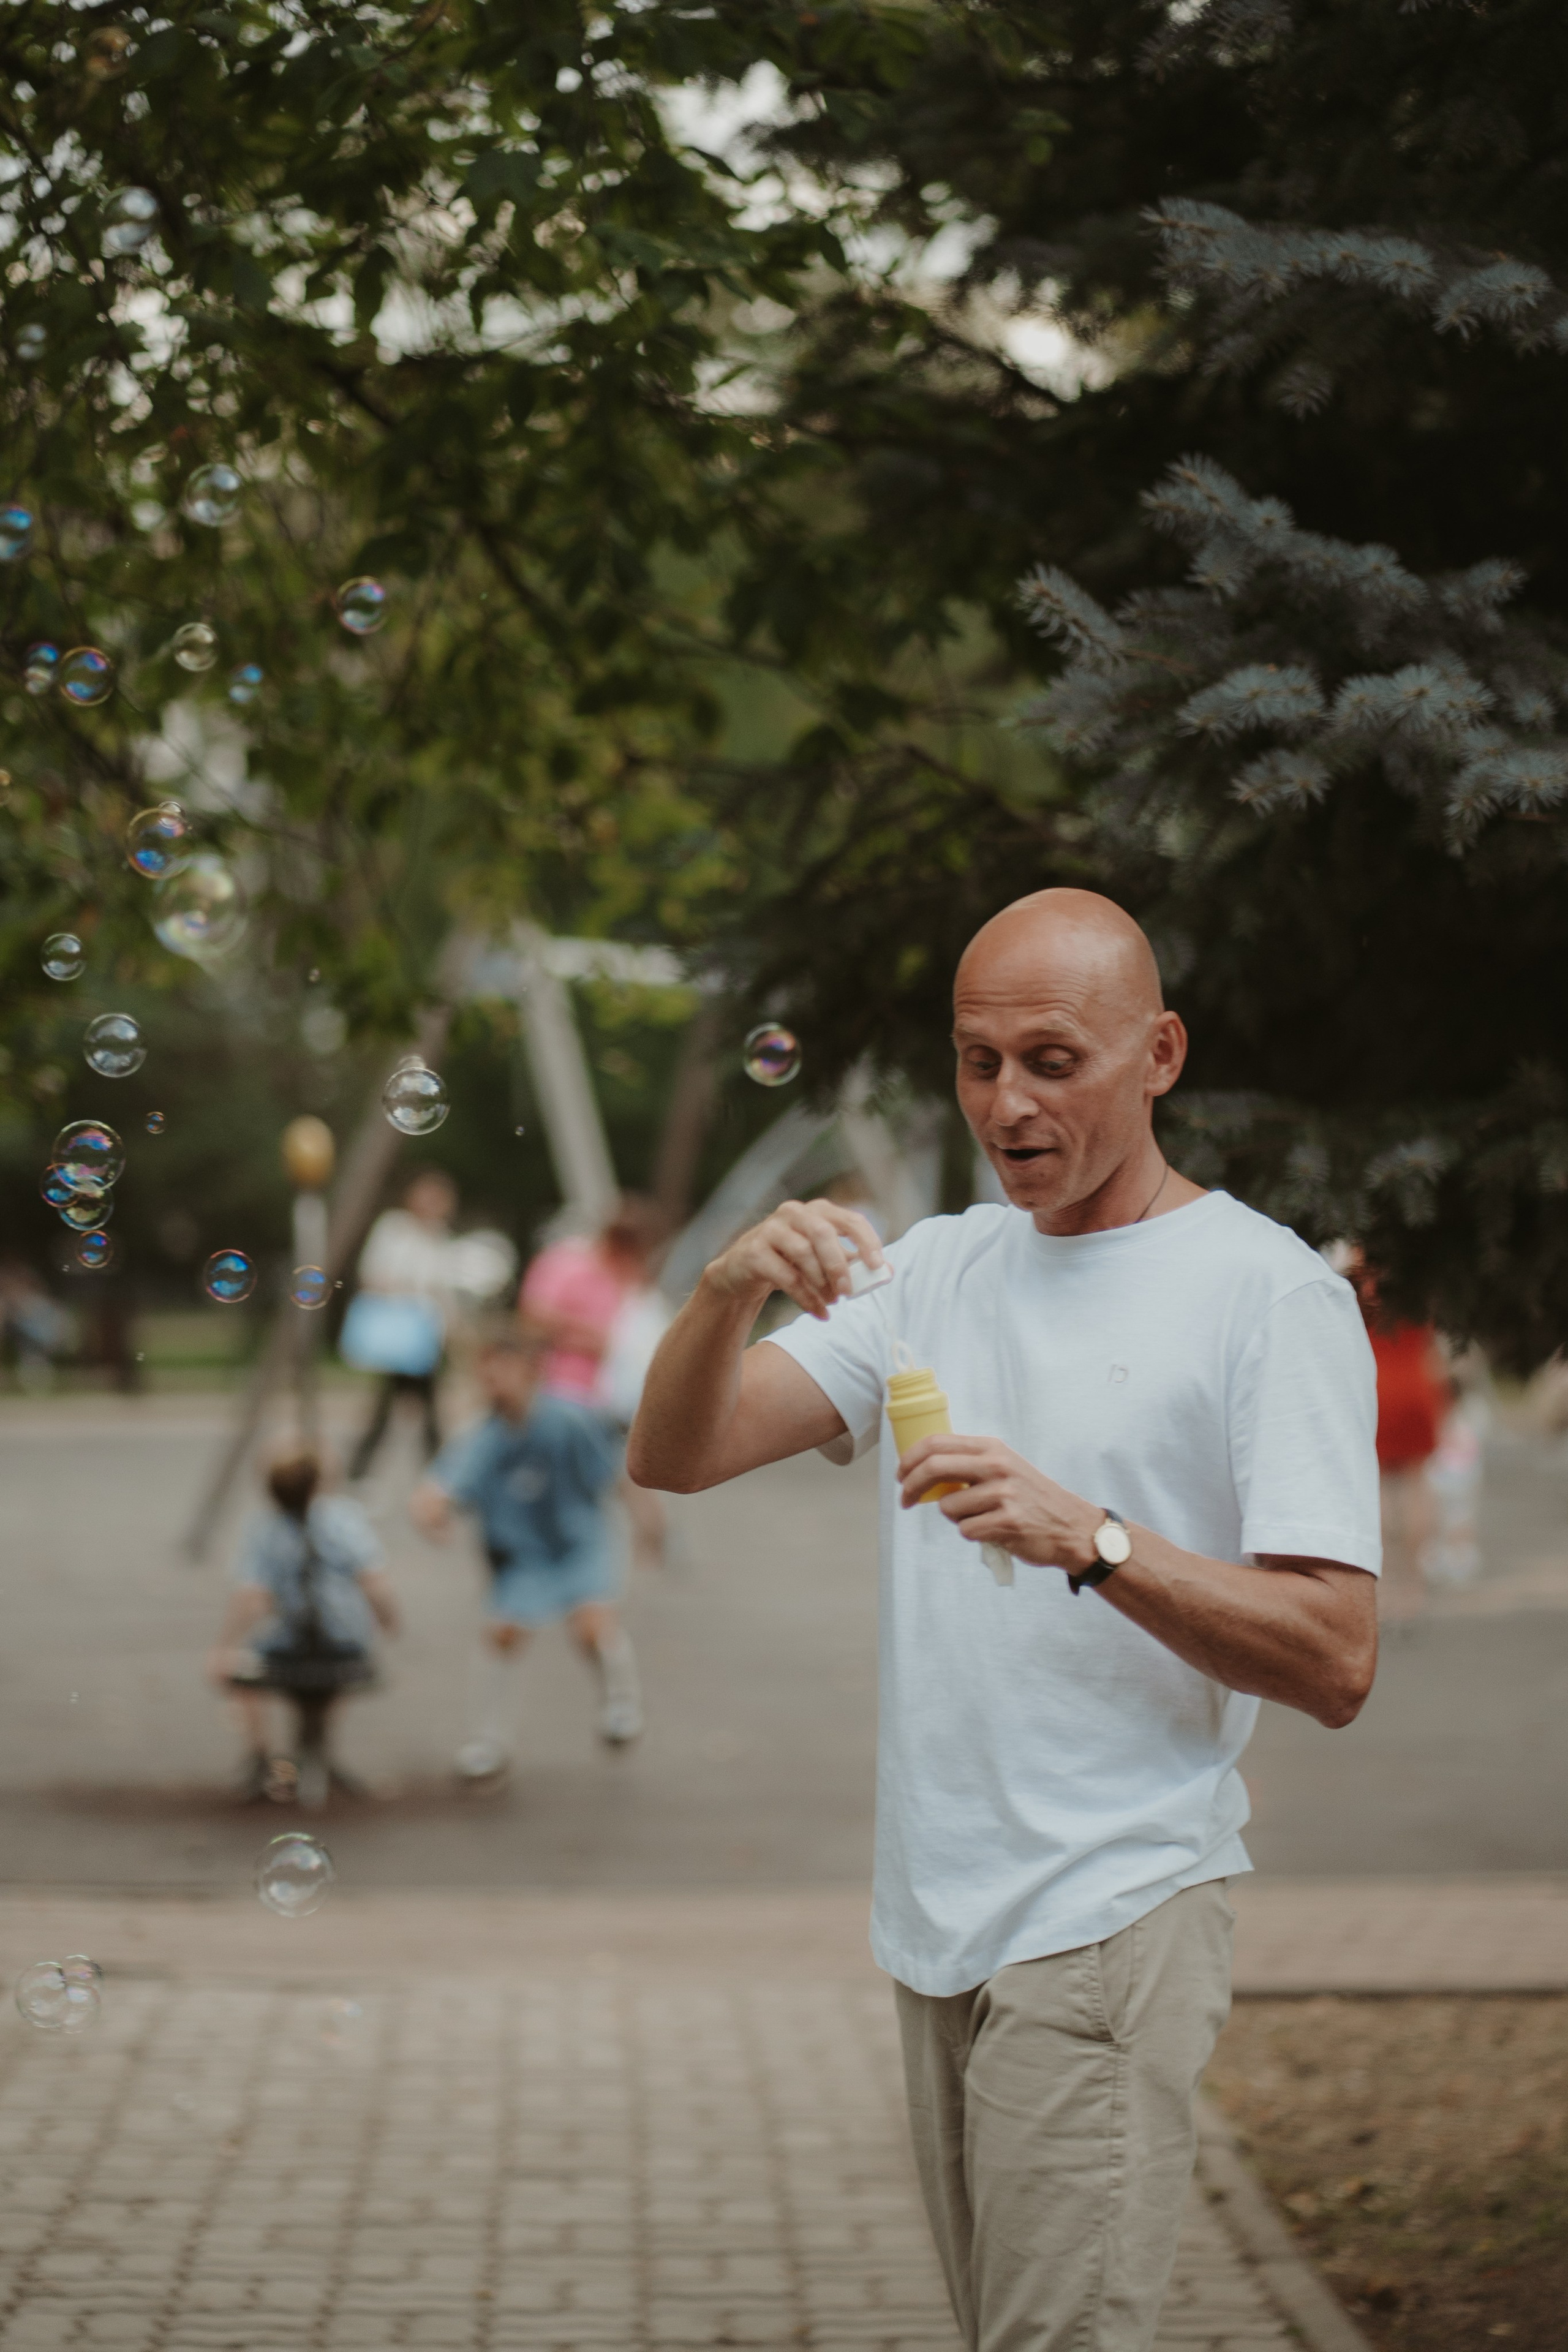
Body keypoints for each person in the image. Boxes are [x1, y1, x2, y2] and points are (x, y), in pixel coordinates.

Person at [628, 888, 1381, 2352]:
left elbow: (1335, 1656)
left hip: (1106, 1911)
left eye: (1051, 1059)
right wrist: (723, 1290)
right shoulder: (936, 1267)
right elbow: (677, 1451)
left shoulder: (1261, 1292)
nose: (1005, 1101)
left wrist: (1088, 1539)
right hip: (940, 1920)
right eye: (977, 1061)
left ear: (1157, 1052)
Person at [410, 1323, 641, 1782]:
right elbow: (441, 1485)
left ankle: (620, 1703)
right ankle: (489, 1742)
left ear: (531, 1374)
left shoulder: (571, 1419)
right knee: (502, 1635)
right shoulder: (482, 1434)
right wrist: (431, 1512)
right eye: (487, 1375)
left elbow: (617, 1475)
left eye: (504, 1373)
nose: (494, 1384)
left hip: (580, 1541)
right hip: (523, 1554)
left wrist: (650, 1524)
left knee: (592, 1629)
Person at [208, 1447, 399, 1807]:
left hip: (288, 1643)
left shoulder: (264, 1527)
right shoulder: (344, 1518)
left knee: (246, 1665)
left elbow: (253, 1596)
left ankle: (262, 1758)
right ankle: (320, 1752)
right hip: (346, 1642)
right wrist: (389, 1619)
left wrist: (224, 1648)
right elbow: (373, 1580)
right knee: (341, 1667)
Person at [522, 1194, 669, 1569]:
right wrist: (591, 1336)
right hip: (561, 1391)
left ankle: (633, 1537)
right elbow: (535, 1318)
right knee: (597, 1473)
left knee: (609, 1471)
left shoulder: (630, 1281)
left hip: (607, 1397)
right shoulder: (568, 1264)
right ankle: (632, 1536)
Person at [1346, 1250, 1449, 1622]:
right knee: (1417, 1485)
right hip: (1418, 1383)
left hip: (1377, 1388)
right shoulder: (1418, 1270)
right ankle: (1415, 1589)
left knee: (1377, 1491)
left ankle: (1383, 1586)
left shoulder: (1358, 1276)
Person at [344, 1170, 459, 1479]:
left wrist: (451, 1330)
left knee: (427, 1412)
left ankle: (437, 1476)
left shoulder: (441, 1237)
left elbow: (444, 1293)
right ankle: (361, 1474)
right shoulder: (394, 1229)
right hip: (398, 1336)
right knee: (388, 1411)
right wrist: (409, 1293)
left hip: (425, 1338)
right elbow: (373, 1275)